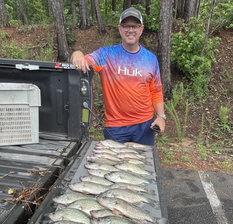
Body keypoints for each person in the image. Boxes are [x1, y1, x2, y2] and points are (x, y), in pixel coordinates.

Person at [70, 7, 166, 145]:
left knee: (143, 164)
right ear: (120, 29)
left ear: (141, 29)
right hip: (115, 127)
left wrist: (161, 116)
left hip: (145, 125)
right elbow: (82, 61)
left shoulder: (150, 59)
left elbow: (156, 90)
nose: (130, 30)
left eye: (135, 26)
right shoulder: (106, 55)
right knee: (113, 166)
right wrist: (77, 54)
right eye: (126, 26)